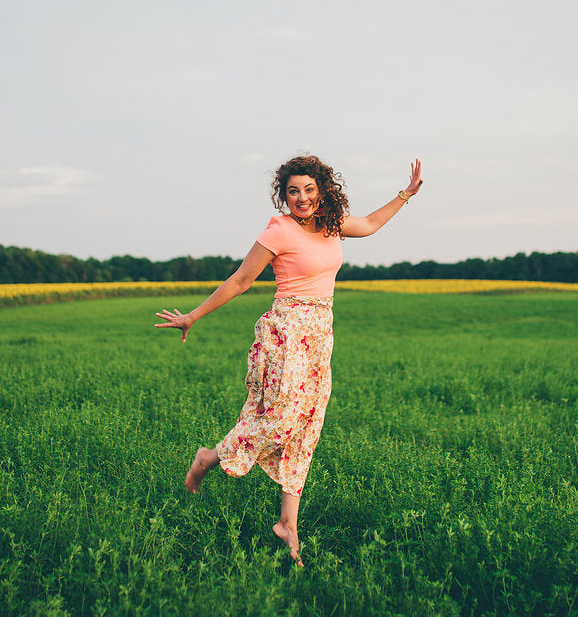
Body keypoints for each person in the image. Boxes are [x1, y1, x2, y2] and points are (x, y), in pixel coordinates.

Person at [154, 155, 423, 567]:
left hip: (320, 334)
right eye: (293, 191)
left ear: (322, 190)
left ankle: (288, 526)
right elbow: (242, 280)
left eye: (309, 190)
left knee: (308, 426)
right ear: (284, 195)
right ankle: (209, 458)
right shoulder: (278, 229)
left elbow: (368, 225)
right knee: (281, 417)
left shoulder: (332, 222)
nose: (302, 198)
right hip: (285, 332)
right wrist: (192, 315)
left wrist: (405, 194)